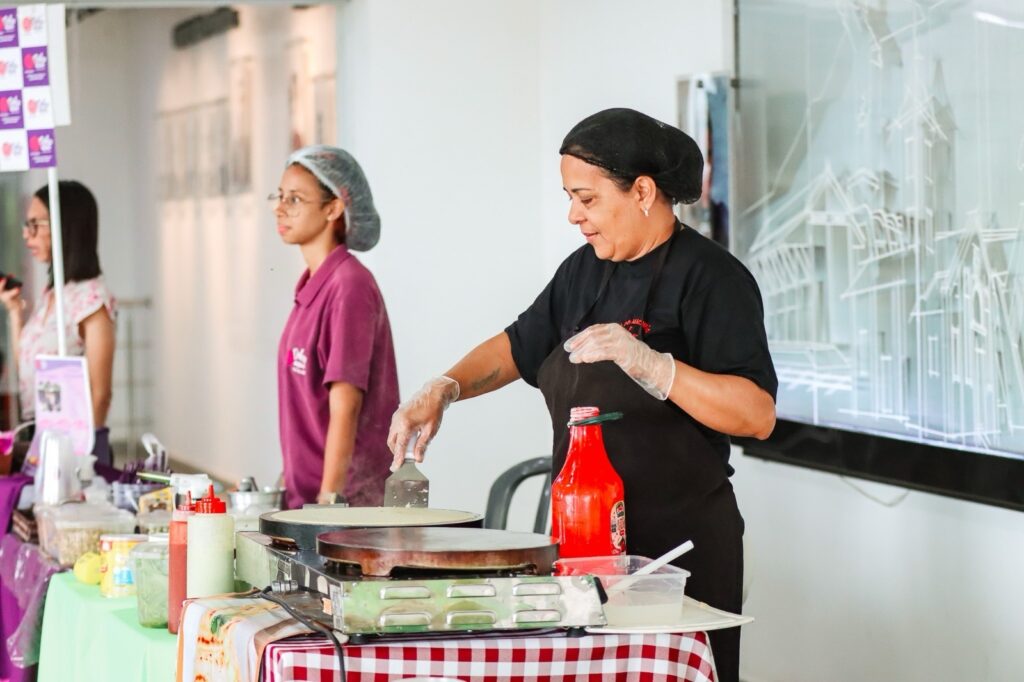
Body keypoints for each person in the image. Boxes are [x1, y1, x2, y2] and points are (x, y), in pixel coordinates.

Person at [387, 108, 777, 682]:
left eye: (587, 199)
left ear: (642, 192)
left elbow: (756, 414)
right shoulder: (583, 271)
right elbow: (516, 347)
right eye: (570, 198)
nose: (574, 215)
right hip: (582, 549)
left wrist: (653, 365)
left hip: (676, 557)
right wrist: (445, 387)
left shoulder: (712, 278)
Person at [273, 145, 399, 509]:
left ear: (333, 208)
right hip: (306, 501)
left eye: (295, 199)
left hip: (345, 506)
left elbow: (345, 407)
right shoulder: (311, 287)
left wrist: (329, 504)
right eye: (279, 196)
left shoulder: (349, 286)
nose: (280, 208)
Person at [0, 181, 117, 464]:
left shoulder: (91, 299)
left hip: (73, 450)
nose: (26, 234)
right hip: (40, 438)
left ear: (66, 226)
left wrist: (81, 460)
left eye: (34, 225)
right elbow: (27, 369)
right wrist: (14, 312)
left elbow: (100, 393)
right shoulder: (53, 294)